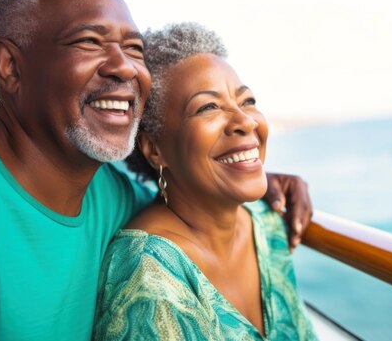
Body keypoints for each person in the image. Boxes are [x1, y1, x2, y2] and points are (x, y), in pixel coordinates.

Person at [0, 0, 312, 341]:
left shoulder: (109, 192)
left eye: (133, 49)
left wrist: (255, 174)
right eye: (89, 41)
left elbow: (186, 199)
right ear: (10, 67)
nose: (124, 66)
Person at [93, 22, 318, 340]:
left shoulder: (267, 223)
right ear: (154, 149)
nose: (244, 121)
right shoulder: (148, 276)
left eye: (247, 101)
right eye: (208, 107)